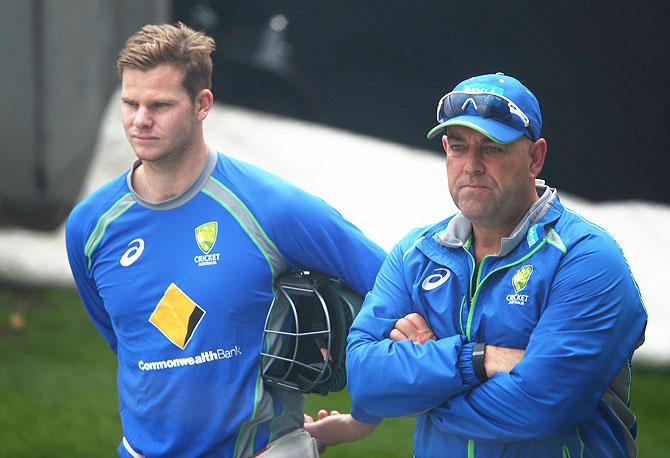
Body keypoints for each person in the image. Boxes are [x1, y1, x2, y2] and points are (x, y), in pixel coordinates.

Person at [65, 22, 382, 457]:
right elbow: (127, 339)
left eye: (160, 105)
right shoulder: (89, 226)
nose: (140, 121)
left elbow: (389, 284)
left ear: (202, 104)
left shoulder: (270, 207)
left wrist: (366, 413)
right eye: (129, 103)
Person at [346, 72, 647, 457]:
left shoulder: (588, 258)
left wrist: (420, 391)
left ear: (535, 157)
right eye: (458, 147)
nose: (471, 165)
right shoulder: (415, 252)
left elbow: (543, 406)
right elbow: (364, 379)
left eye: (492, 149)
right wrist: (478, 360)